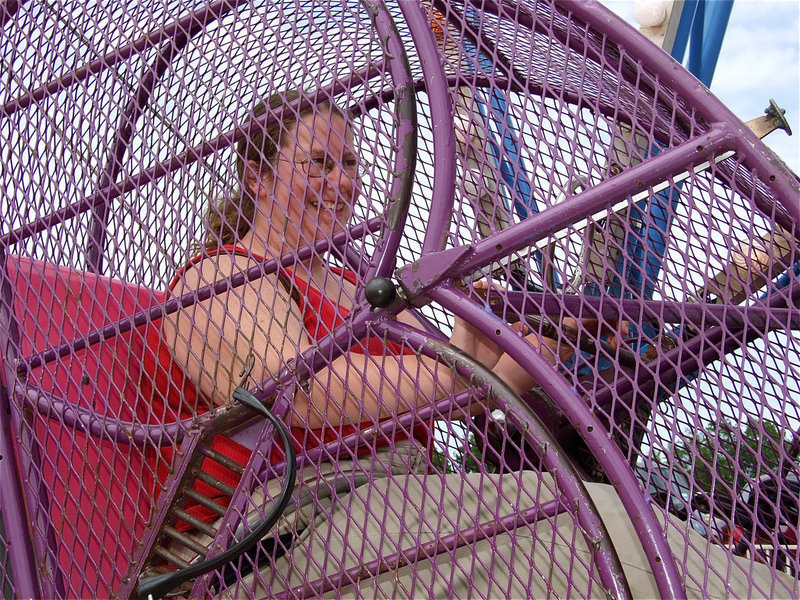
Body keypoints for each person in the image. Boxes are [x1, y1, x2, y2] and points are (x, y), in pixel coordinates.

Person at [144, 90, 790, 599]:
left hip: (396, 505)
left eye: (350, 164)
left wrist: (548, 342)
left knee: (600, 513)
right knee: (570, 528)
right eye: (317, 163)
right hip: (280, 533)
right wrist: (457, 375)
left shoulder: (358, 288)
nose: (340, 183)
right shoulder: (220, 277)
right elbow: (303, 393)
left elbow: (472, 395)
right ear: (257, 179)